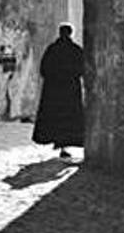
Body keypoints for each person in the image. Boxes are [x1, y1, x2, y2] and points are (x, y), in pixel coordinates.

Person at [32, 24, 86, 163]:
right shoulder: (75, 50)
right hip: (70, 90)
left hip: (53, 90)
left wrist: (54, 78)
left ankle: (59, 143)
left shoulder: (52, 49)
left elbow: (44, 69)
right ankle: (64, 144)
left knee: (55, 115)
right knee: (68, 117)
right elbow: (82, 69)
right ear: (70, 33)